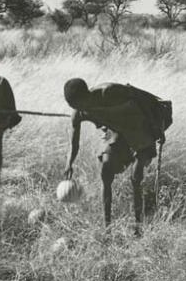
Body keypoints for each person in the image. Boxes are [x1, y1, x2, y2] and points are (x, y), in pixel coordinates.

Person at [63, 78, 172, 228]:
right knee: (106, 168)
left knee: (136, 177)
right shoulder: (78, 112)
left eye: (79, 104)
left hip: (141, 129)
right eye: (73, 106)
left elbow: (144, 101)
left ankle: (138, 225)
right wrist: (69, 164)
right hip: (117, 133)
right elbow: (73, 143)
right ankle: (107, 225)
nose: (78, 109)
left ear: (86, 95)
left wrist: (158, 129)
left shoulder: (109, 91)